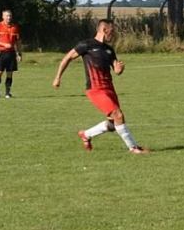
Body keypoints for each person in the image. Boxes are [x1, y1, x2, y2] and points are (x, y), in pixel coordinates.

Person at [52, 19, 150, 154]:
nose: (114, 34)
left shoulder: (109, 50)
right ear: (104, 30)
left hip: (109, 88)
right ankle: (133, 148)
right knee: (118, 116)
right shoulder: (86, 45)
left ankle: (86, 134)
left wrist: (119, 69)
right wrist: (58, 77)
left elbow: (116, 70)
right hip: (95, 90)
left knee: (113, 123)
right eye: (112, 31)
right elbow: (67, 58)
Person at [0, 9, 22, 98]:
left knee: (10, 73)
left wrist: (19, 53)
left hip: (11, 52)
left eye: (10, 16)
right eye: (7, 16)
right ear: (3, 17)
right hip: (1, 52)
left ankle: (7, 93)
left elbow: (18, 41)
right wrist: (4, 44)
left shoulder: (15, 27)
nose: (9, 17)